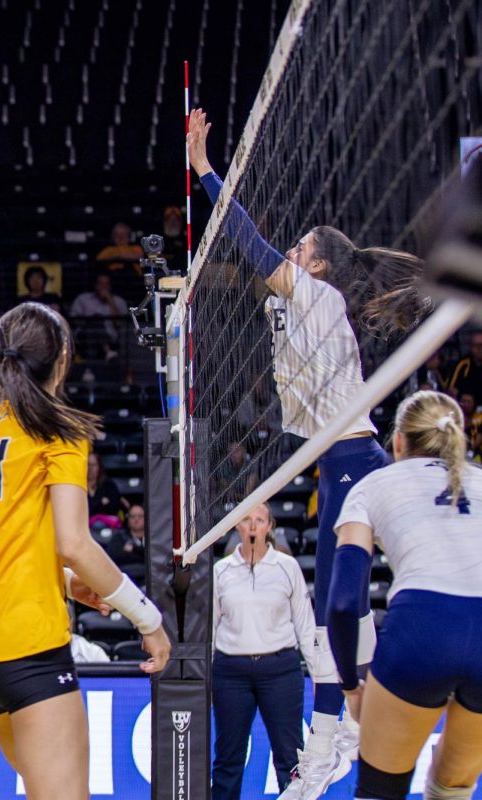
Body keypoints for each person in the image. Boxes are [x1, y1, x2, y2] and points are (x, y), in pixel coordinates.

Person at [189, 108, 429, 796]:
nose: (287, 257)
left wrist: (205, 168)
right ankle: (339, 731)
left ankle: (335, 738)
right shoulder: (312, 303)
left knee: (334, 608)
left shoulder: (316, 292)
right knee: (337, 605)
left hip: (356, 464)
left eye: (298, 250)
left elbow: (248, 243)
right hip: (343, 462)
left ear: (317, 263)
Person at [0, 302, 170, 798]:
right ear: (64, 357)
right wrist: (147, 620)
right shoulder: (60, 428)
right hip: (28, 652)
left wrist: (67, 584)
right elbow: (74, 542)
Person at [326, 390, 482, 800]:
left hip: (422, 630)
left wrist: (351, 687)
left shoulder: (373, 485)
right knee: (452, 789)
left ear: (397, 442)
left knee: (380, 791)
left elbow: (342, 603)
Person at [211, 504, 318, 800]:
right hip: (231, 671)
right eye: (247, 519)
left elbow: (305, 626)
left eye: (260, 520)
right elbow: (209, 628)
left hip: (280, 668)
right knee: (227, 759)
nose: (253, 526)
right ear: (237, 527)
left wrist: (321, 677)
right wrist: (204, 677)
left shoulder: (287, 567)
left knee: (290, 758)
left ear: (270, 526)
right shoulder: (221, 571)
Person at [108, 504, 147, 584]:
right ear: (128, 518)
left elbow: (154, 557)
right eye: (133, 516)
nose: (136, 519)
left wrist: (134, 549)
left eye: (140, 516)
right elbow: (114, 557)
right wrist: (141, 553)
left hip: (148, 578)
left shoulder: (154, 538)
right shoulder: (118, 537)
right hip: (125, 578)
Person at [87, 452, 128, 528]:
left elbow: (115, 506)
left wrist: (94, 506)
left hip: (108, 525)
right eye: (87, 464)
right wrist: (101, 503)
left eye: (93, 465)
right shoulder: (79, 488)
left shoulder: (108, 485)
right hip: (85, 525)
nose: (90, 468)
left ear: (99, 467)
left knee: (98, 524)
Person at [448, 330, 482, 403]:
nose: (480, 349)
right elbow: (452, 392)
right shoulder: (462, 365)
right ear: (470, 347)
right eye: (476, 345)